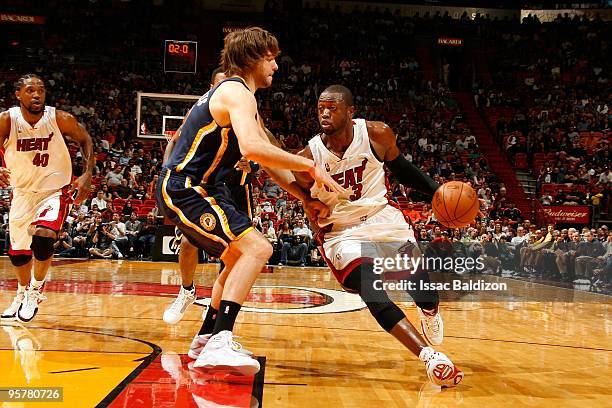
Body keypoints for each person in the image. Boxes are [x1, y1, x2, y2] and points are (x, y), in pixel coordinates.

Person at [156, 28, 343, 376]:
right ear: (251, 59)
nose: (275, 65)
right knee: (258, 249)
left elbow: (268, 161)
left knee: (237, 258)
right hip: (186, 186)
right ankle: (220, 340)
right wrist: (311, 166)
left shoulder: (243, 99)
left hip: (203, 187)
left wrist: (304, 198)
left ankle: (205, 337)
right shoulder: (236, 92)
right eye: (270, 58)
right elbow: (253, 150)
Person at [292, 85, 463, 387]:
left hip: (382, 219)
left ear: (350, 111)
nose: (325, 113)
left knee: (421, 288)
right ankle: (429, 357)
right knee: (372, 289)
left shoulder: (377, 134)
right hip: (342, 232)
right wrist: (314, 218)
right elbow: (306, 197)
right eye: (320, 108)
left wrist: (437, 190)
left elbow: (402, 169)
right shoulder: (309, 156)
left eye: (332, 107)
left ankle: (430, 310)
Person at [0, 74, 93, 322]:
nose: (37, 95)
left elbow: (85, 139)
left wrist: (87, 173)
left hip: (55, 189)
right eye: (30, 90)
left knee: (43, 237)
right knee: (18, 253)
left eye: (40, 90)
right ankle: (21, 293)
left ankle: (36, 289)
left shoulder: (59, 118)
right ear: (18, 94)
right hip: (22, 191)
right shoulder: (7, 121)